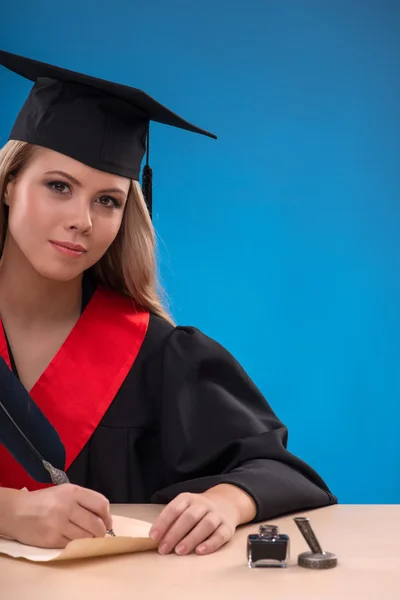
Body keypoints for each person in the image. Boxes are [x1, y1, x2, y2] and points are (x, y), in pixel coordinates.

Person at [0, 49, 336, 556]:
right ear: (9, 184)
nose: (83, 221)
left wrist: (223, 502)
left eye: (107, 200)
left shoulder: (155, 355)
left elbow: (276, 469)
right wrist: (10, 511)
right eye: (58, 186)